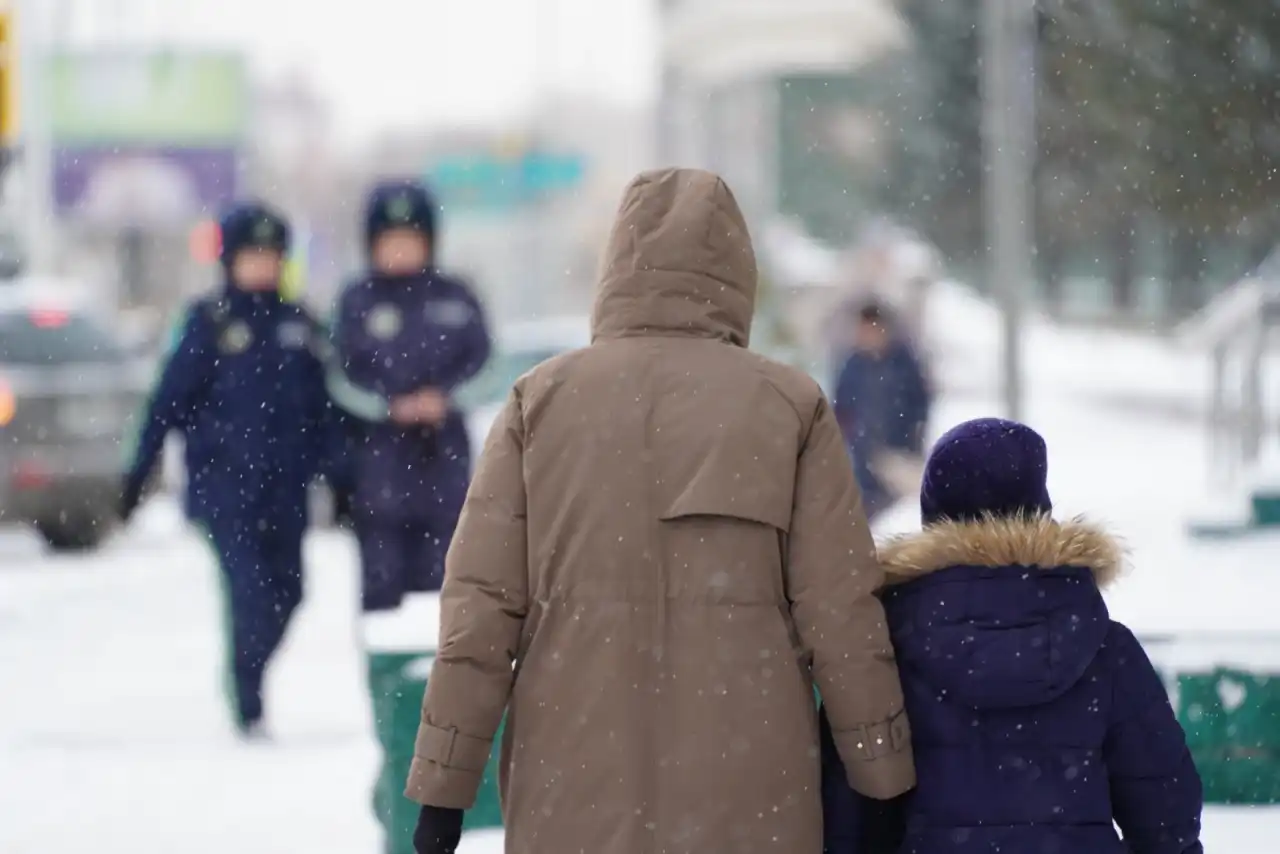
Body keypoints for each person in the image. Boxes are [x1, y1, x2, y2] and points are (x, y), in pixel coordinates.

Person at [404, 168, 915, 854]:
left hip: (573, 778)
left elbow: (480, 611)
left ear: (617, 266)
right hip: (749, 792)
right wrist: (881, 775)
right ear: (737, 272)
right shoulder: (788, 406)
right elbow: (842, 610)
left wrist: (444, 785)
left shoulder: (541, 402)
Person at [821, 417, 1204, 854]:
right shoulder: (1104, 649)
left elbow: (849, 820)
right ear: (1040, 510)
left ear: (933, 519)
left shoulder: (885, 653)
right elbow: (1167, 815)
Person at [119, 200, 333, 738]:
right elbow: (167, 401)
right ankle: (248, 699)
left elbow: (325, 410)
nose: (260, 266)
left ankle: (250, 669)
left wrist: (342, 476)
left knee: (291, 590)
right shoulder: (208, 323)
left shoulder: (300, 324)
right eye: (250, 255)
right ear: (230, 260)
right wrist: (137, 472)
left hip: (286, 488)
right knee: (249, 593)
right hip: (225, 489)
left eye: (270, 256)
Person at [327, 179, 491, 611]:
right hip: (379, 477)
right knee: (383, 603)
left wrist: (446, 400)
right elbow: (336, 377)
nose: (400, 249)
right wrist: (386, 407)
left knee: (448, 598)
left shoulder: (457, 297)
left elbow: (491, 366)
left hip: (447, 473)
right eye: (390, 240)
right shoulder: (356, 301)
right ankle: (388, 680)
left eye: (410, 238)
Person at [832, 300, 931, 521]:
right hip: (862, 459)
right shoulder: (852, 365)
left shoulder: (904, 363)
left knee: (899, 518)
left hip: (899, 456)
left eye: (872, 329)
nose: (867, 335)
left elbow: (919, 405)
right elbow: (841, 408)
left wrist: (910, 443)